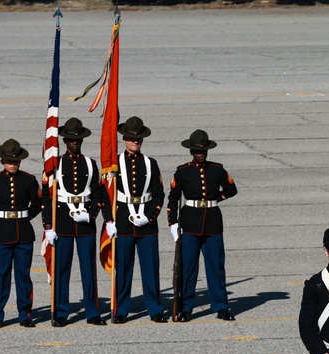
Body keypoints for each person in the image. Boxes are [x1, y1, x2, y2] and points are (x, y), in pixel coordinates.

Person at [42, 118, 108, 326]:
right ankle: (61, 312)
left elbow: (98, 194)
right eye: (71, 139)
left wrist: (91, 214)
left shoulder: (90, 163)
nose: (75, 143)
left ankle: (92, 311)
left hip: (85, 223)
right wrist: (48, 226)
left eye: (77, 139)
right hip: (62, 221)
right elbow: (46, 196)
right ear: (65, 140)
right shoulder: (55, 164)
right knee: (62, 269)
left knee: (89, 269)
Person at [167, 130, 238, 322]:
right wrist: (173, 222)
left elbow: (231, 190)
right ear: (191, 152)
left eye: (204, 151)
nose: (201, 155)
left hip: (213, 224)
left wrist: (216, 199)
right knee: (188, 268)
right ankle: (186, 307)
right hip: (190, 223)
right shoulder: (183, 171)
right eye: (198, 151)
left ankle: (221, 306)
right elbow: (173, 198)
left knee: (216, 267)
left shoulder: (217, 169)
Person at [101, 116, 167, 323]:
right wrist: (109, 221)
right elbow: (105, 194)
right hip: (122, 222)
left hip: (146, 225)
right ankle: (120, 310)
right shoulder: (114, 165)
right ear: (124, 139)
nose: (134, 142)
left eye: (138, 139)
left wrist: (149, 216)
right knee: (123, 270)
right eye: (131, 138)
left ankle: (155, 309)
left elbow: (158, 194)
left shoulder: (151, 164)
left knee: (150, 269)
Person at [0, 139, 43, 328]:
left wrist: (24, 217)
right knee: (2, 275)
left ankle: (25, 314)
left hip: (23, 234)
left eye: (16, 161)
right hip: (2, 233)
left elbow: (38, 204)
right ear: (2, 162)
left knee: (23, 275)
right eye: (9, 161)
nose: (13, 164)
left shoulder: (29, 180)